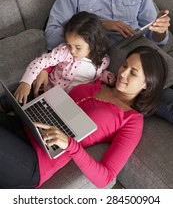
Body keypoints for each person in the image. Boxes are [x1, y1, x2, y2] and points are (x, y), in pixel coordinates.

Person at [0, 46, 168, 188]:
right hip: (24, 125)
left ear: (147, 84)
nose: (123, 73)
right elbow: (67, 58)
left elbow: (105, 178)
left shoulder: (132, 121)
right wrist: (45, 69)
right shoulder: (101, 80)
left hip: (36, 159)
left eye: (133, 73)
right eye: (125, 65)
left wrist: (71, 145)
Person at [2, 11, 115, 108]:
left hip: (65, 103)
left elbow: (97, 75)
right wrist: (26, 83)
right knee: (11, 101)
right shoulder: (65, 51)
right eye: (69, 44)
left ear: (93, 43)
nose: (72, 51)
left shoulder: (103, 61)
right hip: (45, 90)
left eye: (78, 47)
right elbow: (40, 62)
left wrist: (107, 76)